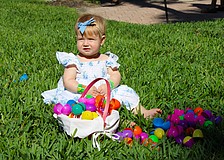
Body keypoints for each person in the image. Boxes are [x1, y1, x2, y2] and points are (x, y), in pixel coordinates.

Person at [41, 14, 162, 119]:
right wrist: (84, 89)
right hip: (82, 93)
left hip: (104, 92)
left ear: (102, 40)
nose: (86, 43)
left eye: (91, 39)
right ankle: (84, 117)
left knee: (125, 92)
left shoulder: (107, 59)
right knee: (72, 102)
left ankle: (142, 111)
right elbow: (68, 81)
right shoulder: (73, 61)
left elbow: (115, 75)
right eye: (81, 39)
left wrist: (109, 85)